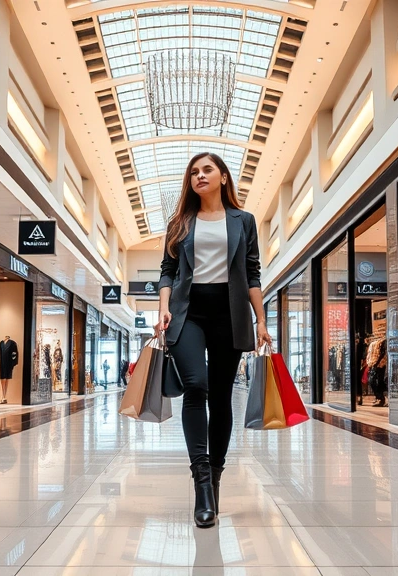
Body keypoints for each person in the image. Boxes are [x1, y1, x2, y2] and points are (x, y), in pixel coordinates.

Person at [155, 152, 270, 528]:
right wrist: (164, 309)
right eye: (193, 172)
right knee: (196, 385)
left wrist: (261, 321)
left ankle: (215, 478)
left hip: (229, 313)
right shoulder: (180, 222)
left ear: (223, 177)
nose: (199, 176)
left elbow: (251, 273)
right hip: (188, 312)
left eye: (207, 170)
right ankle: (202, 482)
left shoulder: (243, 221)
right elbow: (168, 270)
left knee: (221, 397)